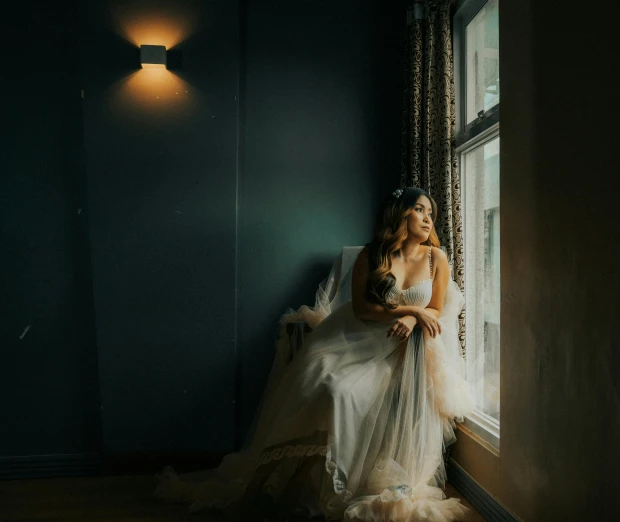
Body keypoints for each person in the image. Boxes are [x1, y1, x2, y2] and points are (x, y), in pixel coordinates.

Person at [155, 187, 474, 521]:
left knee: (342, 396)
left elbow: (436, 308)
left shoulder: (436, 259)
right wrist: (406, 312)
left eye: (431, 214)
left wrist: (412, 317)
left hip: (400, 350)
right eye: (420, 210)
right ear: (400, 213)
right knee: (325, 389)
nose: (427, 219)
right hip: (353, 338)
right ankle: (282, 487)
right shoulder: (372, 255)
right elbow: (364, 309)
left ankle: (319, 487)